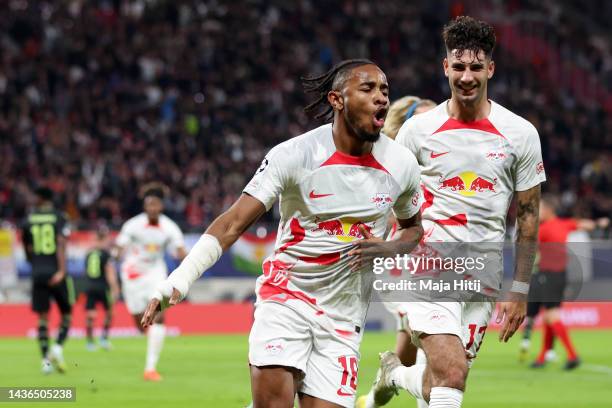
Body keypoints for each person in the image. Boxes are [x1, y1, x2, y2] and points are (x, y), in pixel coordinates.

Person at [142, 59, 424, 408]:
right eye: (368, 89)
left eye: (384, 90)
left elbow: (414, 229)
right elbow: (232, 224)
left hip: (344, 317)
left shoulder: (401, 164)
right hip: (286, 301)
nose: (381, 98)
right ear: (337, 100)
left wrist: (389, 248)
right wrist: (177, 283)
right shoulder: (296, 155)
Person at [362, 16, 546, 408]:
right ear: (445, 67)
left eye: (476, 67)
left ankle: (394, 374)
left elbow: (528, 215)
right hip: (428, 267)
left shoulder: (520, 133)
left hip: (484, 275)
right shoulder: (417, 131)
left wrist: (520, 288)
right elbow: (387, 194)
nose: (467, 76)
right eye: (458, 66)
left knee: (439, 385)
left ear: (490, 69)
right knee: (452, 373)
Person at [357, 96, 436, 408]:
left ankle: (376, 395)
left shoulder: (446, 160)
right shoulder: (389, 163)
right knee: (434, 344)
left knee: (410, 348)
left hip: (437, 260)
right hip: (402, 262)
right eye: (426, 122)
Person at [522, 194, 609, 369]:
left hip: (548, 275)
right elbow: (584, 224)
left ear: (547, 210)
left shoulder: (544, 229)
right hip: (561, 275)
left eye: (541, 209)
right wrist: (599, 223)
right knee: (548, 316)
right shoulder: (565, 224)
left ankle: (572, 355)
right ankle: (542, 357)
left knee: (551, 315)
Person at [115, 182, 187, 381]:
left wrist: (190, 262)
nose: (152, 208)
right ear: (145, 206)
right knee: (141, 323)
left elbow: (180, 250)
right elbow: (119, 247)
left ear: (161, 206)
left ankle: (150, 368)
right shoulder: (133, 225)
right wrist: (115, 253)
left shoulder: (169, 227)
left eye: (156, 204)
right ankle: (151, 345)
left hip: (155, 273)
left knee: (158, 316)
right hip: (132, 275)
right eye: (149, 205)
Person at [21, 186, 73, 374]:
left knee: (43, 318)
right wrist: (61, 270)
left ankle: (45, 361)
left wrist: (34, 263)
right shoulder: (59, 217)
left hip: (38, 273)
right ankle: (57, 348)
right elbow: (61, 243)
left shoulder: (28, 218)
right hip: (55, 272)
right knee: (66, 314)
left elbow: (27, 246)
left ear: (41, 198)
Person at [83, 225, 120, 351]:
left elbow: (86, 270)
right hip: (102, 286)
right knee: (110, 313)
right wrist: (115, 288)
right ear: (104, 238)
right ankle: (103, 339)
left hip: (89, 285)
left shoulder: (88, 253)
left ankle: (89, 343)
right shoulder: (106, 254)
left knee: (90, 314)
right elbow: (109, 272)